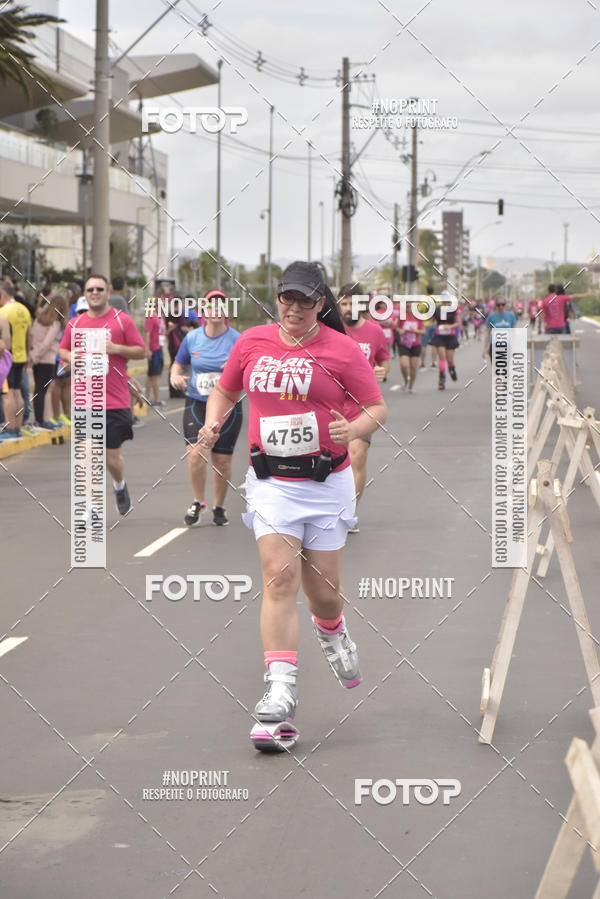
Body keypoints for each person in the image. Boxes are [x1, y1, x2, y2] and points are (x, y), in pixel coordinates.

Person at [198, 261, 387, 751]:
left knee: (323, 592)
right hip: (272, 482)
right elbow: (225, 388)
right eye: (288, 299)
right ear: (276, 299)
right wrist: (215, 422)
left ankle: (334, 631)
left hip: (326, 482)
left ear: (321, 303)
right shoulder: (253, 342)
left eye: (306, 300)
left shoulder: (342, 350)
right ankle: (279, 694)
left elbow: (375, 407)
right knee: (278, 577)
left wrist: (356, 428)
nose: (295, 308)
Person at [59, 273, 146, 515]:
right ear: (85, 295)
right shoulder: (75, 324)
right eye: (90, 290)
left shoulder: (122, 321)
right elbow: (62, 350)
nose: (95, 293)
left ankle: (120, 484)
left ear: (108, 293)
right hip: (86, 400)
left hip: (115, 401)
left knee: (111, 459)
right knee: (88, 453)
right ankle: (92, 506)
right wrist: (71, 356)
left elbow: (141, 351)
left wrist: (116, 348)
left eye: (99, 289)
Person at [170, 289, 243, 527]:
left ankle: (219, 506)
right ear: (204, 312)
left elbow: (248, 371)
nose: (216, 311)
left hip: (227, 406)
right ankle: (198, 501)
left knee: (221, 461)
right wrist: (175, 377)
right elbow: (177, 365)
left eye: (222, 307)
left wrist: (232, 369)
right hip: (197, 403)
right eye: (211, 307)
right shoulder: (192, 339)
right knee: (195, 453)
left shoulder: (237, 340)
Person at [338, 285, 390, 533]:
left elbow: (383, 360)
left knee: (357, 456)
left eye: (354, 303)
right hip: (331, 404)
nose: (349, 308)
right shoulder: (329, 330)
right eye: (345, 303)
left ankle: (349, 513)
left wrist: (383, 371)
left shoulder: (375, 332)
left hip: (362, 405)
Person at [0, 279, 32, 440]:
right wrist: (28, 354)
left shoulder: (3, 313)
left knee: (7, 394)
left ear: (3, 294)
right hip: (21, 356)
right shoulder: (24, 309)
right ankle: (17, 427)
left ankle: (9, 427)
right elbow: (29, 334)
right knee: (17, 392)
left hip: (6, 359)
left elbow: (5, 342)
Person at [29, 293, 67, 429]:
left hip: (36, 359)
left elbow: (32, 337)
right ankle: (41, 420)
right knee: (42, 390)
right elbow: (47, 343)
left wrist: (33, 356)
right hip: (47, 360)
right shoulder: (56, 323)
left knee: (39, 390)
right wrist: (36, 357)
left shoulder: (39, 319)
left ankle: (40, 419)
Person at [430, 293, 460, 390]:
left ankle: (452, 369)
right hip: (440, 337)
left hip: (450, 337)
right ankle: (441, 380)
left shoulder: (453, 309)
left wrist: (449, 326)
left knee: (450, 359)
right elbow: (432, 320)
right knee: (442, 358)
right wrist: (431, 324)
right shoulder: (437, 309)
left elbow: (458, 323)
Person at [396, 297, 426, 392]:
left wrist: (415, 331)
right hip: (403, 343)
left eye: (411, 306)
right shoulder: (402, 316)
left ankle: (411, 386)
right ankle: (405, 380)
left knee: (413, 367)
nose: (409, 308)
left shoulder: (419, 317)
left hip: (415, 344)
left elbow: (423, 331)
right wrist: (400, 330)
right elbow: (396, 326)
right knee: (404, 365)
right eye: (407, 306)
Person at [482, 296, 518, 361]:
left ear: (505, 305)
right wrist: (485, 348)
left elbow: (514, 333)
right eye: (498, 305)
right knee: (496, 370)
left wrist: (514, 347)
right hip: (494, 345)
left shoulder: (511, 315)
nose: (501, 306)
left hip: (507, 345)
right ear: (495, 305)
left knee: (506, 369)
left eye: (503, 304)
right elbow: (487, 333)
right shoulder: (491, 316)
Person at [144, 306, 165, 406]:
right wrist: (147, 350)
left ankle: (147, 399)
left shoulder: (158, 317)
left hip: (159, 348)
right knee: (154, 377)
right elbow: (147, 334)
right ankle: (156, 400)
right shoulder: (150, 317)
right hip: (154, 350)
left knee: (150, 376)